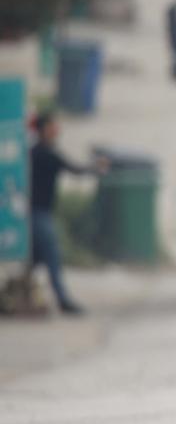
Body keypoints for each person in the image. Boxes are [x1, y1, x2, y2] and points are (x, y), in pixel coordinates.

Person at [27, 113, 105, 315]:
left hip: (34, 216)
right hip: (40, 216)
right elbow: (74, 169)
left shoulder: (34, 152)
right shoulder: (45, 154)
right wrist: (96, 168)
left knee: (36, 259)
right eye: (53, 127)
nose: (57, 131)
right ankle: (62, 300)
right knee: (51, 257)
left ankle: (28, 297)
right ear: (44, 129)